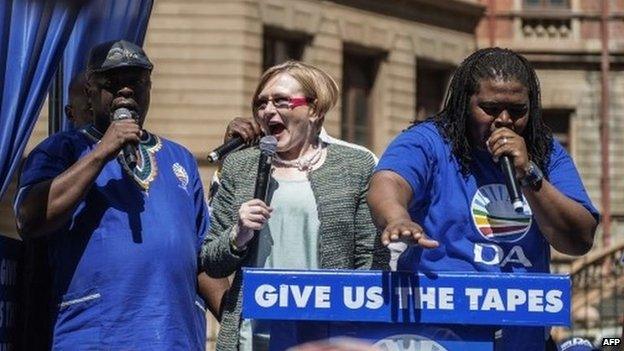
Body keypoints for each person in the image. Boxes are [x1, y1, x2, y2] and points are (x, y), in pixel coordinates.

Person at [367, 48, 599, 350]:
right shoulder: (430, 141)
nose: (504, 121)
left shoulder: (545, 151)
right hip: (441, 333)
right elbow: (388, 181)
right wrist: (397, 217)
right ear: (465, 104)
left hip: (521, 334)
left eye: (517, 111)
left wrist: (529, 174)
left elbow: (578, 239)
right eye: (490, 108)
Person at [14, 40, 228, 349]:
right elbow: (29, 218)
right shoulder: (61, 151)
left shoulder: (179, 158)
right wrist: (101, 152)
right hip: (96, 335)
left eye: (136, 82)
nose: (126, 90)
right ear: (90, 92)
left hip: (173, 336)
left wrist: (237, 323)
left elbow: (202, 257)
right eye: (113, 83)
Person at [201, 60, 388, 351]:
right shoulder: (240, 166)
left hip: (329, 334)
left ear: (314, 109)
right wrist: (237, 236)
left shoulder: (355, 165)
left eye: (281, 101)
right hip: (253, 336)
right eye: (261, 103)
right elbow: (210, 262)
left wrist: (358, 329)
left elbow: (369, 260)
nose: (268, 111)